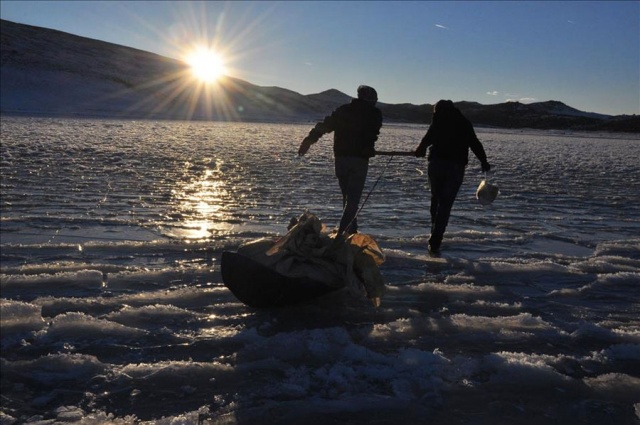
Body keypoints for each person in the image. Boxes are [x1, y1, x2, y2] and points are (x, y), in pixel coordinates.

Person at [298, 85, 383, 235]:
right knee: (352, 201)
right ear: (371, 99)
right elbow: (372, 134)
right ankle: (342, 235)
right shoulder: (374, 113)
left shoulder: (343, 110)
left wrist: (309, 140)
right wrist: (367, 148)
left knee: (347, 198)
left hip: (341, 159)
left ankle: (351, 232)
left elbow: (325, 126)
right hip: (358, 160)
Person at [414, 99, 491, 255]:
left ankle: (434, 232)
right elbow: (474, 143)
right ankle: (436, 238)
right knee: (445, 203)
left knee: (436, 198)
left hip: (436, 164)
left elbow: (428, 138)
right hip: (455, 167)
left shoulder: (438, 120)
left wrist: (420, 149)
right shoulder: (463, 122)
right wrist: (483, 160)